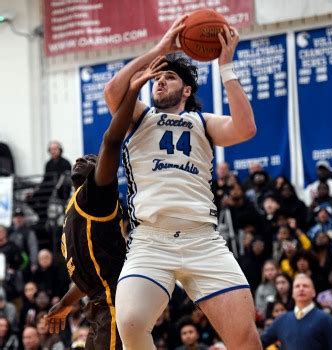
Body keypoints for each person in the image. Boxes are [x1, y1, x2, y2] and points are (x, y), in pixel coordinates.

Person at [104, 15, 261, 349]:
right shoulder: (139, 115)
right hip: (151, 240)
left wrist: (226, 66)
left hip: (202, 239)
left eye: (169, 77)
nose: (159, 82)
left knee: (246, 339)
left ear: (186, 90)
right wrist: (159, 50)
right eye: (157, 78)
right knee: (130, 321)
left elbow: (246, 128)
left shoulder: (203, 122)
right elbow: (113, 91)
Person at [44, 54, 138, 348]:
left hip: (114, 304)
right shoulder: (74, 210)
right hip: (100, 304)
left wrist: (131, 93)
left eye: (93, 160)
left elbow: (111, 142)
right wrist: (64, 304)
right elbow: (88, 279)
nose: (84, 158)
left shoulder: (95, 197)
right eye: (82, 157)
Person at [261, 274, 332, 350]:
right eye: (297, 286)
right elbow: (260, 342)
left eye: (305, 286)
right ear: (292, 293)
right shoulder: (281, 320)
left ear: (314, 292)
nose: (301, 289)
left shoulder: (325, 319)